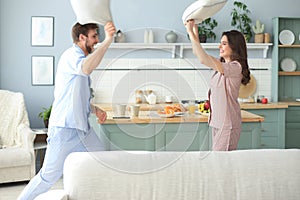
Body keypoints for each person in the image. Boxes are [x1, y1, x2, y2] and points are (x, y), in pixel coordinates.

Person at [18, 21, 116, 200]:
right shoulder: (72, 55)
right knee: (48, 177)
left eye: (98, 36)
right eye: (94, 36)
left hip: (82, 131)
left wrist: (95, 109)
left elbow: (76, 96)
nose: (97, 40)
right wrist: (108, 41)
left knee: (102, 162)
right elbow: (86, 68)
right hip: (64, 129)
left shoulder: (80, 58)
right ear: (82, 37)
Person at [185, 20, 250, 151]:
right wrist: (193, 30)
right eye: (220, 43)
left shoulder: (235, 67)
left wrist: (190, 33)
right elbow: (199, 54)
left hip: (228, 124)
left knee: (221, 163)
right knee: (220, 162)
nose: (220, 46)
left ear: (234, 47)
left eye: (224, 44)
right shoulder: (222, 65)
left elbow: (203, 59)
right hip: (218, 122)